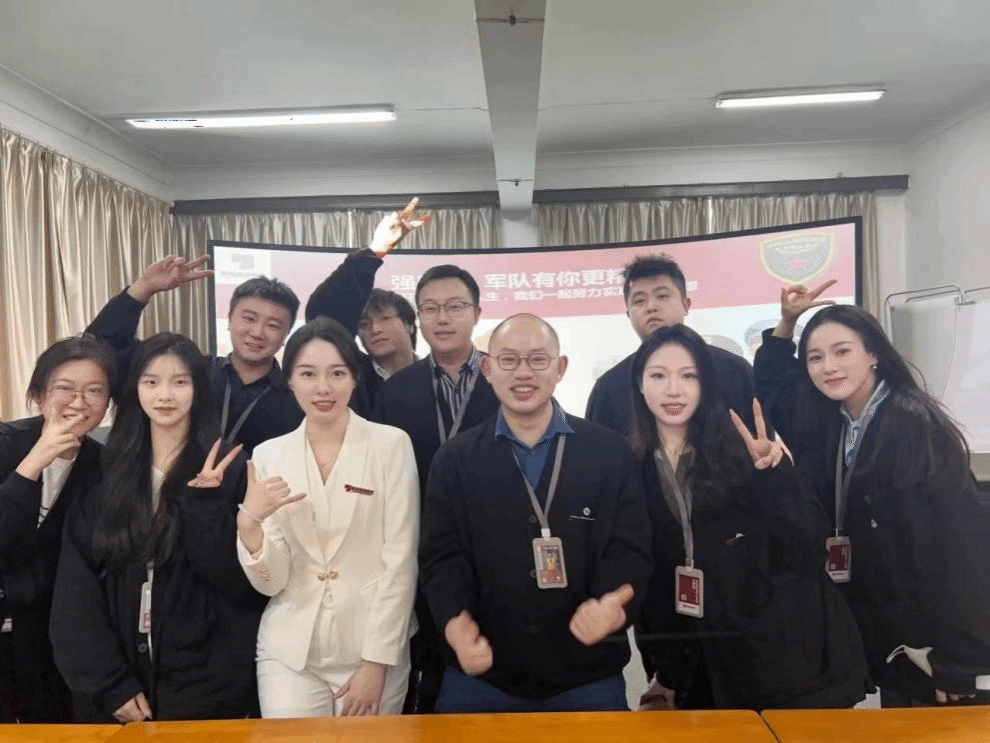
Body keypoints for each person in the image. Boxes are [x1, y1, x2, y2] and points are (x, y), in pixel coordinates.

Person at [754, 281, 990, 707]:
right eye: (815, 357)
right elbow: (775, 390)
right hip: (893, 638)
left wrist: (959, 661)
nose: (828, 367)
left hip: (934, 645)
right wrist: (786, 325)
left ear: (874, 354)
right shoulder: (834, 421)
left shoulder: (915, 428)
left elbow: (961, 550)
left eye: (842, 351)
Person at [419, 313, 652, 713]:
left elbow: (630, 546)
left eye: (538, 360)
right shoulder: (454, 459)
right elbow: (441, 556)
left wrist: (613, 609)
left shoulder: (608, 452)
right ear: (488, 369)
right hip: (482, 675)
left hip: (588, 676)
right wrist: (454, 622)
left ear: (560, 368)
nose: (523, 373)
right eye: (508, 360)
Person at [629, 324, 869, 711]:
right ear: (639, 384)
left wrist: (775, 477)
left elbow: (810, 545)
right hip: (705, 665)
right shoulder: (632, 466)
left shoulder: (746, 448)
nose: (674, 390)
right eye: (658, 376)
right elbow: (652, 581)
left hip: (786, 662)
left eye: (689, 376)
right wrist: (669, 672)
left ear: (706, 384)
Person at [89, 200, 430, 455]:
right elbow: (103, 349)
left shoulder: (302, 394)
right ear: (230, 317)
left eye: (273, 325)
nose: (257, 332)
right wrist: (142, 290)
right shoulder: (191, 375)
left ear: (286, 333)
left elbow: (330, 320)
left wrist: (372, 254)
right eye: (249, 319)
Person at [51, 333, 265, 722]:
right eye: (151, 381)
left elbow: (242, 587)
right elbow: (75, 589)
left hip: (208, 688)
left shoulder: (230, 468)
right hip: (116, 687)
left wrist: (205, 507)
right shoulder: (106, 468)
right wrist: (109, 683)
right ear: (135, 389)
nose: (165, 395)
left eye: (180, 382)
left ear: (198, 389)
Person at [236, 316, 419, 718]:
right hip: (289, 650)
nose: (323, 387)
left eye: (337, 373)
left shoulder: (390, 445)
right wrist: (249, 526)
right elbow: (272, 581)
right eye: (308, 374)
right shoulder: (269, 455)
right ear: (289, 381)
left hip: (371, 646)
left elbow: (401, 559)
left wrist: (377, 660)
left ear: (354, 378)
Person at [373, 263, 501, 712]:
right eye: (430, 309)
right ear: (418, 318)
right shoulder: (395, 392)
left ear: (477, 313)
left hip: (495, 547)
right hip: (419, 547)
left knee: (492, 663)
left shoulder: (504, 379)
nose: (442, 319)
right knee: (427, 666)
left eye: (454, 307)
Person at [0, 336, 116, 722]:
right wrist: (34, 461)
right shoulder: (7, 444)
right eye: (65, 388)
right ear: (39, 395)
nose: (79, 402)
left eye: (94, 391)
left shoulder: (105, 468)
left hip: (46, 639)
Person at [585, 254, 755, 435]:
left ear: (686, 305)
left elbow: (761, 443)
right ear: (628, 314)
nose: (651, 307)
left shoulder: (736, 371)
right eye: (639, 300)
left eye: (662, 296)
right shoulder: (608, 387)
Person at [349, 289, 419, 417]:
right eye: (364, 324)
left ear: (409, 325)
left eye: (385, 319)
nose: (375, 329)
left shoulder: (437, 374)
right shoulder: (353, 384)